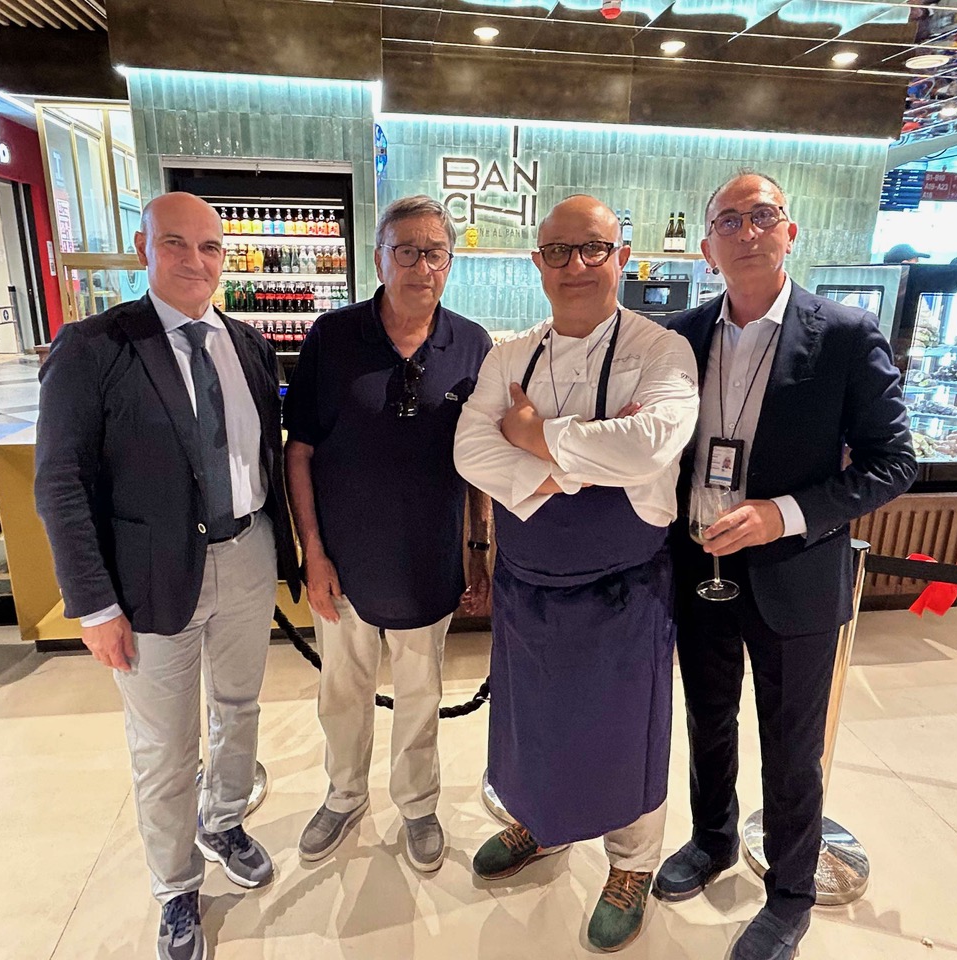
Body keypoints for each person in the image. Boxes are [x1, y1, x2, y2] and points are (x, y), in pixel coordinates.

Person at [654, 172, 915, 960]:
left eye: (762, 215)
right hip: (699, 563)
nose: (747, 231)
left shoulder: (844, 334)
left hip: (795, 573)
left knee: (791, 744)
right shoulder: (679, 335)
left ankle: (791, 894)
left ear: (789, 231)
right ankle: (711, 839)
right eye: (728, 221)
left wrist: (783, 513)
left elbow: (894, 461)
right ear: (707, 247)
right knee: (707, 718)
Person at [35, 192, 301, 960]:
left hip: (247, 554)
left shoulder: (249, 345)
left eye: (210, 247)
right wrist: (93, 605)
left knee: (239, 708)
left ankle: (224, 821)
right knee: (163, 744)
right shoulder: (94, 347)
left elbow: (263, 458)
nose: (195, 261)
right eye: (175, 243)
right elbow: (59, 483)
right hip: (150, 577)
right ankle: (176, 886)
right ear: (142, 248)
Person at [454, 195, 699, 952]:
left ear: (622, 257)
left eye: (593, 248)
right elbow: (470, 448)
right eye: (558, 251)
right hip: (528, 583)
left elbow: (650, 444)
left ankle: (631, 864)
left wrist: (533, 435)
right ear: (538, 263)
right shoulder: (510, 356)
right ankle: (543, 822)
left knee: (627, 730)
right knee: (534, 721)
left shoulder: (662, 350)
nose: (576, 266)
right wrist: (574, 465)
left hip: (624, 585)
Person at [283, 196, 494, 873]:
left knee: (421, 691)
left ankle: (418, 804)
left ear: (449, 264)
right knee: (342, 689)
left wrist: (478, 553)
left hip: (429, 558)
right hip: (342, 561)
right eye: (406, 251)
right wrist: (313, 553)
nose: (421, 266)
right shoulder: (332, 337)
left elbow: (481, 463)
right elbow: (299, 451)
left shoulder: (471, 344)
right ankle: (344, 794)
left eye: (434, 253)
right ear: (379, 260)